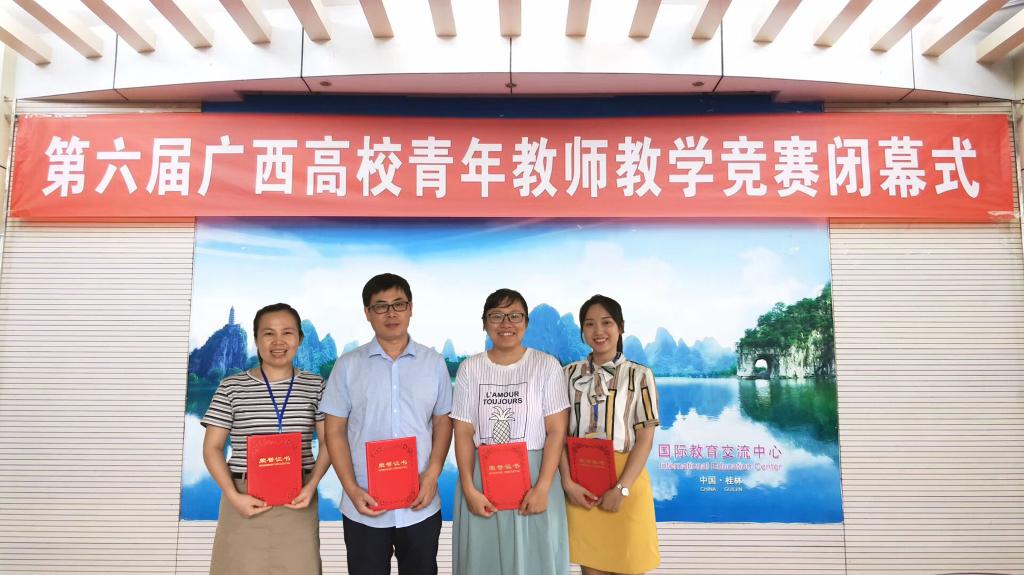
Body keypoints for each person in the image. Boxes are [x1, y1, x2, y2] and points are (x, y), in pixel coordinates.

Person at [321, 273, 454, 575]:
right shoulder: (348, 365)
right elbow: (334, 431)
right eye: (380, 306)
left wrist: (433, 474)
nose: (391, 313)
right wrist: (351, 488)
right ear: (367, 313)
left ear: (411, 308)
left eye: (398, 304)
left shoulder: (433, 363)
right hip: (364, 504)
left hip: (420, 502)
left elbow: (443, 422)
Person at [201, 303, 331, 575]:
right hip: (243, 495)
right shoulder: (231, 386)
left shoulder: (315, 385)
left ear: (300, 338)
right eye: (269, 333)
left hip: (299, 496)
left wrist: (312, 485)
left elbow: (329, 442)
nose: (278, 341)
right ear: (256, 338)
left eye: (287, 333)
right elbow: (212, 447)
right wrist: (233, 495)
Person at [450, 288, 571, 575]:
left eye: (515, 316)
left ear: (526, 322)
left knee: (537, 560)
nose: (506, 324)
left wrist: (542, 487)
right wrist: (469, 488)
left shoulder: (546, 366)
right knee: (482, 560)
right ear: (484, 323)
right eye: (496, 316)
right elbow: (463, 431)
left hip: (535, 475)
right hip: (482, 478)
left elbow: (556, 431)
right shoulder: (470, 369)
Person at [560, 295, 661, 575]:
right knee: (592, 568)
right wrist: (568, 483)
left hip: (627, 480)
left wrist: (622, 488)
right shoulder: (567, 375)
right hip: (582, 485)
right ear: (582, 330)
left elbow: (645, 438)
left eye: (606, 323)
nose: (598, 331)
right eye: (589, 324)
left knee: (631, 564)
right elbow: (557, 436)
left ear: (620, 327)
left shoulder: (640, 375)